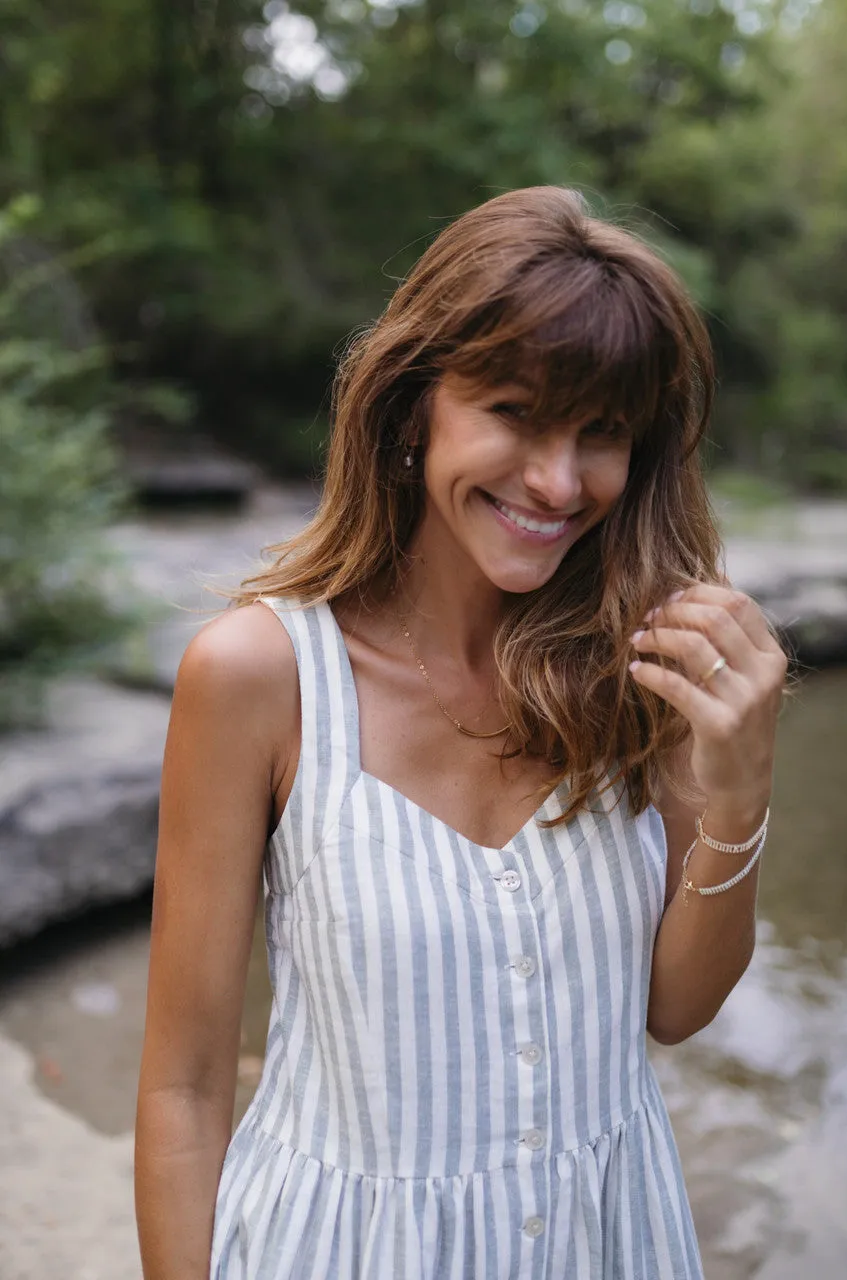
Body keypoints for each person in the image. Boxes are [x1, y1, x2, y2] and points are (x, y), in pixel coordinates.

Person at [134, 186, 788, 1279]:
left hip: (611, 1243)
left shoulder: (645, 667)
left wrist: (738, 791)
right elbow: (182, 1086)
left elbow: (673, 1009)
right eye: (514, 411)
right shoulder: (258, 677)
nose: (556, 478)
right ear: (412, 408)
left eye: (601, 432)